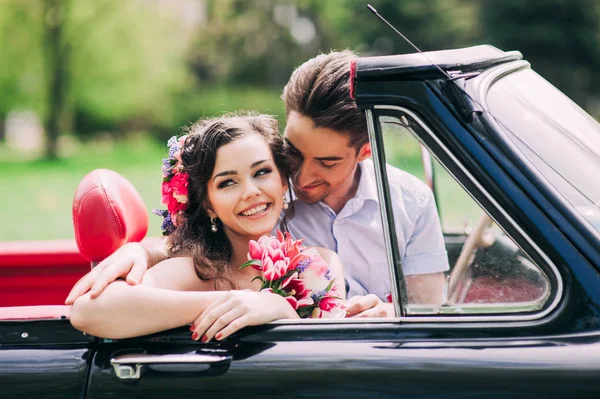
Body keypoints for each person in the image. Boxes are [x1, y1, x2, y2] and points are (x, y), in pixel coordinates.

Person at [66, 50, 448, 318]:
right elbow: (200, 242)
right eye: (293, 153)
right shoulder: (268, 189)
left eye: (327, 162)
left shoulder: (408, 203)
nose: (300, 176)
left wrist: (392, 314)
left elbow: (430, 310)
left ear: (365, 151)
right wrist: (141, 253)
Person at [68, 113, 345, 341]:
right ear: (209, 204)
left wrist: (279, 309)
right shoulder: (197, 270)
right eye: (227, 182)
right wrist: (236, 301)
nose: (250, 192)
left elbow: (341, 358)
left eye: (262, 172)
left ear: (283, 182)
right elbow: (88, 311)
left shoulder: (319, 263)